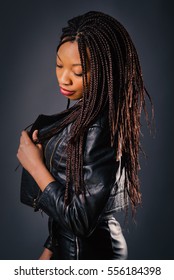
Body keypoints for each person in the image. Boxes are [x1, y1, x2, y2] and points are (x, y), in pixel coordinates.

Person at [17, 11, 152, 260]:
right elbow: (71, 195)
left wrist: (35, 166)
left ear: (105, 72)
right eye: (59, 65)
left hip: (91, 256)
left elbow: (80, 218)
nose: (63, 78)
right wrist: (49, 250)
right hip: (70, 249)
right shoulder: (84, 116)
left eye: (78, 72)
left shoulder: (98, 129)